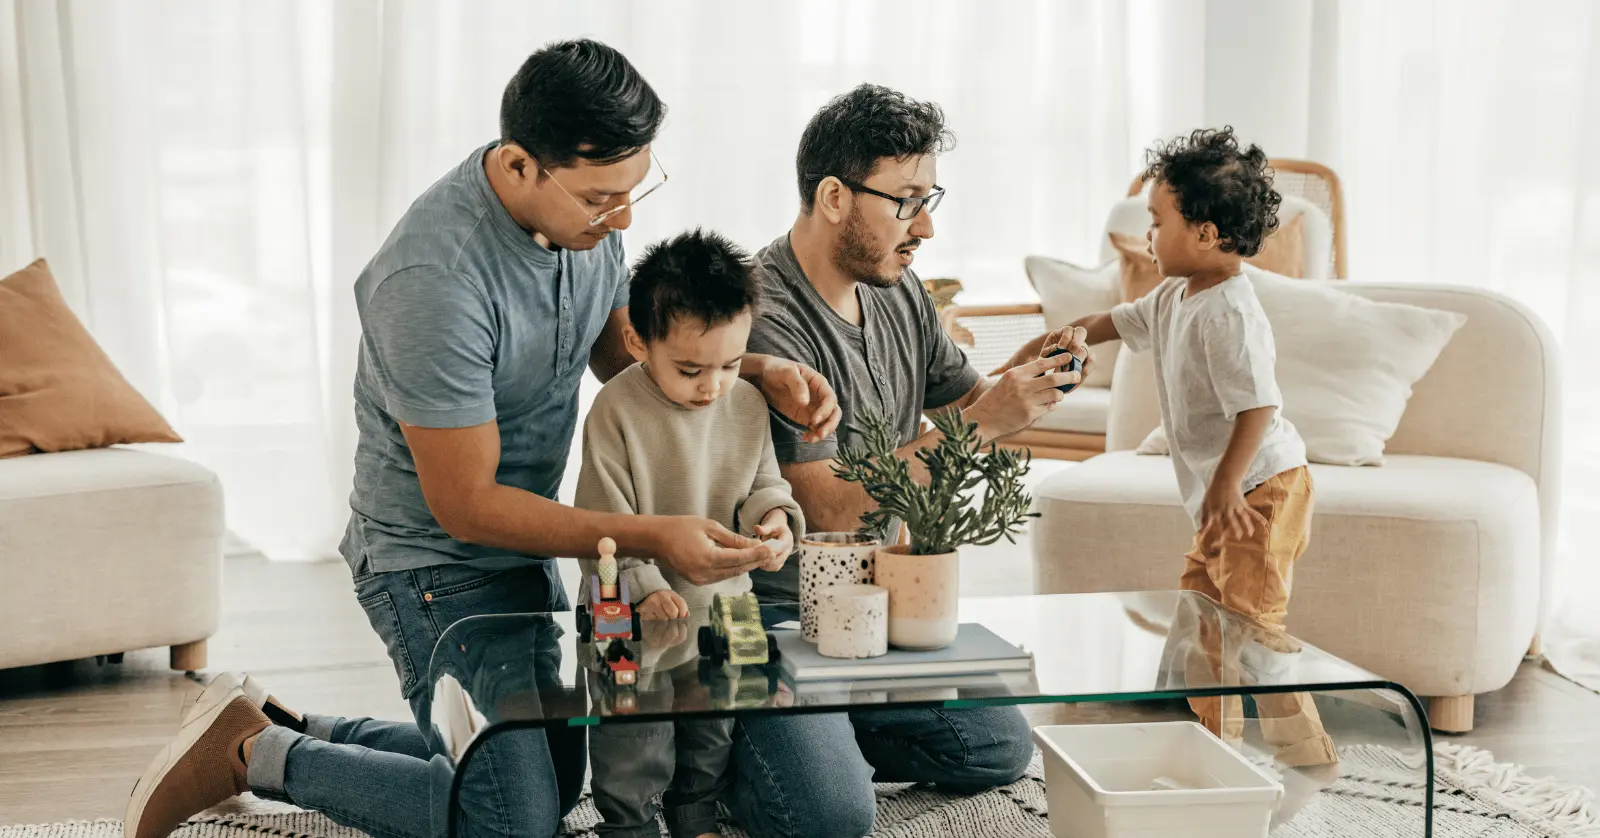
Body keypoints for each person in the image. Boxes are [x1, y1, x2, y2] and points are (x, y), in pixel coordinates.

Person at [124, 39, 840, 838]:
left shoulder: (580, 218)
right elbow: (465, 507)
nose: (624, 220)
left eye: (636, 190)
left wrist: (755, 372)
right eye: (603, 199)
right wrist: (656, 539)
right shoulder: (432, 283)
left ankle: (299, 724)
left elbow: (618, 352)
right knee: (514, 822)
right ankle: (255, 752)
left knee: (559, 779)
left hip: (530, 546)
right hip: (434, 569)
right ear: (519, 164)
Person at [729, 83, 1094, 838]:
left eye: (931, 198)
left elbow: (968, 409)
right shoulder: (761, 315)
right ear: (833, 196)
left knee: (1001, 744)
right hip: (777, 617)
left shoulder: (898, 289)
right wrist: (987, 420)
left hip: (879, 608)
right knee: (829, 815)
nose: (925, 225)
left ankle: (816, 736)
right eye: (905, 200)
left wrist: (1028, 379)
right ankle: (744, 743)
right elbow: (827, 509)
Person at [1049, 126, 1338, 769]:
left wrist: (1227, 483)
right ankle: (1207, 744)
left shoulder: (1230, 311)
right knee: (1203, 616)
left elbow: (1258, 405)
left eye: (1156, 221)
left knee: (1249, 627)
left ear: (1205, 234)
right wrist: (1070, 333)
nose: (1148, 235)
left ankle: (1292, 754)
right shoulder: (1175, 295)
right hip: (1229, 491)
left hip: (1263, 487)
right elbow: (1116, 323)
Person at [573, 229, 805, 838]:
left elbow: (766, 485)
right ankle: (630, 824)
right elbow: (603, 519)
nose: (713, 385)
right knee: (633, 727)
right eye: (690, 368)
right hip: (626, 606)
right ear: (637, 341)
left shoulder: (748, 405)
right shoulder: (615, 411)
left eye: (730, 364)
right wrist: (644, 585)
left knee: (718, 720)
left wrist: (775, 525)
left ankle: (696, 814)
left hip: (727, 601)